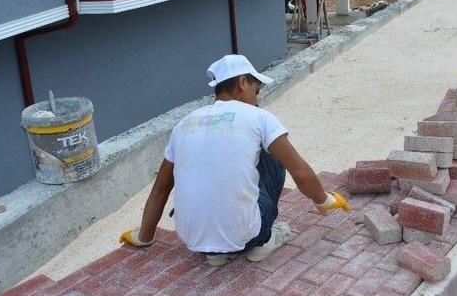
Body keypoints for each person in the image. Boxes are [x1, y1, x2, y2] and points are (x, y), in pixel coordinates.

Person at [118, 55, 350, 266]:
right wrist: (324, 201)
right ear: (242, 82)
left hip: (193, 240)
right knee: (274, 154)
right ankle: (265, 239)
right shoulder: (258, 117)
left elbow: (161, 188)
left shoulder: (185, 123)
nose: (257, 101)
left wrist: (144, 236)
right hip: (246, 236)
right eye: (256, 91)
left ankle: (216, 253)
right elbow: (299, 172)